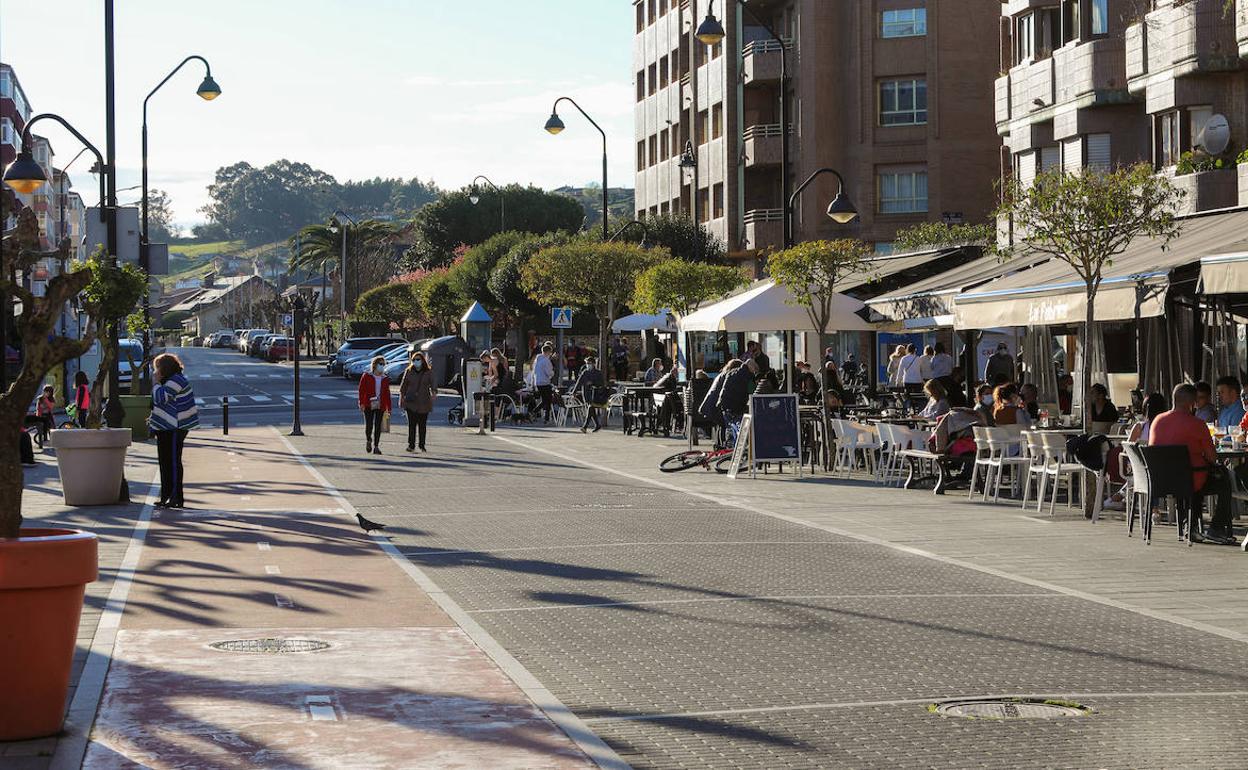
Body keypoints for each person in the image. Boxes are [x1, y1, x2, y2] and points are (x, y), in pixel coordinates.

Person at [1150, 383, 1237, 544]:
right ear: (1192, 403)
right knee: (1223, 478)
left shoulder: (1157, 421)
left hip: (1162, 481)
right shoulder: (1197, 424)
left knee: (1193, 474)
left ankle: (1191, 527)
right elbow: (1212, 458)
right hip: (1191, 480)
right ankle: (1216, 528)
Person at [148, 353, 198, 508]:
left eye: (157, 368)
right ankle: (166, 496)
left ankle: (176, 497)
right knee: (165, 462)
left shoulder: (176, 381)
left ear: (164, 368)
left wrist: (155, 383)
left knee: (173, 462)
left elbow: (161, 398)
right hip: (165, 427)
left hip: (175, 427)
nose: (155, 371)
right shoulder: (171, 380)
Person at [399, 351, 437, 453]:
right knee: (411, 425)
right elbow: (403, 386)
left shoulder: (428, 372)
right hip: (410, 401)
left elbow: (433, 383)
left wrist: (434, 393)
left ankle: (422, 445)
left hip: (424, 401)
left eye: (418, 359)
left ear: (422, 361)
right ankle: (411, 445)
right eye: (414, 360)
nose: (416, 362)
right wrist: (401, 397)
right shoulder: (409, 371)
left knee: (422, 425)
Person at [357, 355, 392, 454]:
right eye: (380, 364)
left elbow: (387, 393)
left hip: (380, 404)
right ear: (375, 365)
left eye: (383, 364)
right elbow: (361, 390)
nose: (382, 366)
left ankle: (376, 446)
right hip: (369, 404)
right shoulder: (367, 376)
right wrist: (361, 403)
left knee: (378, 426)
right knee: (369, 424)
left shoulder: (385, 378)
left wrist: (388, 408)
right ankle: (369, 440)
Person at [717, 357, 759, 437]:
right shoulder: (749, 376)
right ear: (751, 367)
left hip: (725, 404)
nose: (754, 372)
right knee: (739, 430)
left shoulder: (732, 372)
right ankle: (736, 447)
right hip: (737, 407)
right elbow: (752, 393)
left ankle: (729, 446)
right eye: (754, 370)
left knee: (730, 429)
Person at [572, 356, 607, 433]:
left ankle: (585, 426)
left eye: (590, 363)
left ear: (594, 364)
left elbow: (602, 383)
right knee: (591, 409)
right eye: (587, 363)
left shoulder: (598, 373)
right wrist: (574, 391)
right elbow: (579, 382)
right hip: (586, 394)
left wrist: (593, 383)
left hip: (595, 394)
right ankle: (597, 425)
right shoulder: (585, 372)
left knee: (591, 408)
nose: (588, 365)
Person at [532, 343, 555, 423]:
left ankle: (546, 417)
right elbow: (549, 373)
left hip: (538, 382)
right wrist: (552, 373)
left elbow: (534, 371)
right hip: (545, 382)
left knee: (546, 400)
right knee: (547, 400)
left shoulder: (537, 360)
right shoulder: (546, 361)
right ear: (548, 352)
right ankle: (535, 412)